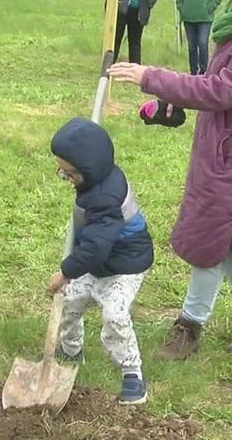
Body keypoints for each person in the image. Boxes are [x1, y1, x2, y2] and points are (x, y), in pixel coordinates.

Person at [107, 0, 232, 360]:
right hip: (223, 140)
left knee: (215, 235)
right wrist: (171, 100)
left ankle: (189, 326)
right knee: (229, 236)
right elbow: (213, 82)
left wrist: (153, 77)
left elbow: (222, 90)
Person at [49, 117, 155, 405]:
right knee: (70, 300)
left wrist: (65, 272)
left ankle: (132, 374)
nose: (65, 177)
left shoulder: (105, 197)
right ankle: (70, 352)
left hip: (124, 265)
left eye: (69, 173)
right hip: (97, 259)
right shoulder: (95, 179)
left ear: (89, 169)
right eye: (62, 171)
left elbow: (96, 247)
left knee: (113, 314)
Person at [105, 0, 160, 64]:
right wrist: (112, 0)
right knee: (115, 40)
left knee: (135, 43)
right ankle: (108, 66)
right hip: (120, 10)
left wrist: (148, 5)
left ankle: (134, 69)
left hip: (138, 12)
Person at [176, 0, 222, 75]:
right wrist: (182, 8)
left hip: (205, 19)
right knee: (191, 46)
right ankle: (193, 72)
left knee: (202, 43)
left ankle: (204, 71)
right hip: (188, 18)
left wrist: (208, 9)